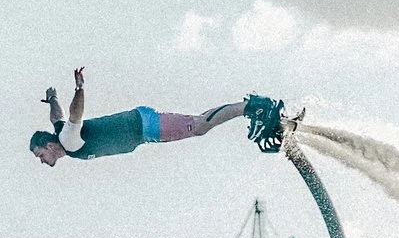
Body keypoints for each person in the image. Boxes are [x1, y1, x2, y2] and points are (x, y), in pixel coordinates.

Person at [30, 67, 245, 167]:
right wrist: (52, 98)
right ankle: (245, 107)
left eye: (40, 155)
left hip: (144, 126)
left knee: (199, 126)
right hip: (142, 130)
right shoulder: (60, 132)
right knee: (198, 124)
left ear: (49, 146)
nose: (42, 162)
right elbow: (57, 116)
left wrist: (79, 89)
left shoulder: (67, 140)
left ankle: (249, 107)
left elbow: (75, 115)